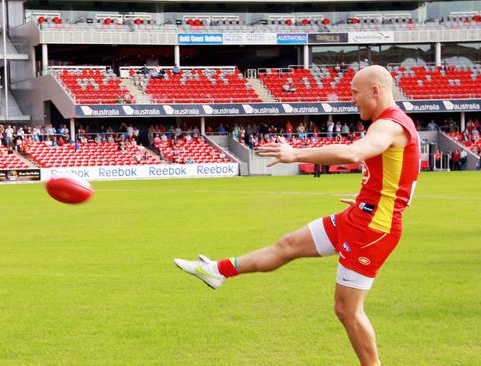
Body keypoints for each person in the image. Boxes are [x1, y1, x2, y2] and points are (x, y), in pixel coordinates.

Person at [174, 65, 420, 366]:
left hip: (372, 230)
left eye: (355, 93)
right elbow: (401, 179)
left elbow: (354, 154)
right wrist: (372, 198)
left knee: (347, 310)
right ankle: (217, 271)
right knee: (287, 245)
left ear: (376, 91)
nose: (352, 99)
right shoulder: (390, 124)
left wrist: (295, 154)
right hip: (358, 217)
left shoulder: (390, 125)